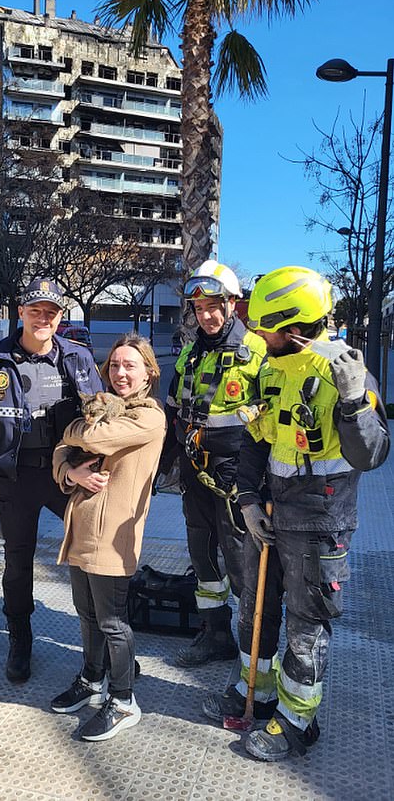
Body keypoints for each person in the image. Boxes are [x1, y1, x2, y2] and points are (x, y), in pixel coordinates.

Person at [203, 266, 390, 760]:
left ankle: (295, 720)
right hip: (270, 511)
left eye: (266, 327)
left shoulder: (346, 370)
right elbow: (255, 438)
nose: (258, 335)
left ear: (294, 323)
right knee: (255, 608)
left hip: (320, 520)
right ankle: (256, 695)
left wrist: (354, 402)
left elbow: (370, 455)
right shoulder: (272, 367)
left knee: (307, 625)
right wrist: (246, 499)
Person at [0, 278, 103, 683]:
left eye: (52, 312)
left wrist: (87, 467)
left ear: (61, 317)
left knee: (89, 557)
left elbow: (100, 422)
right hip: (15, 478)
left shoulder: (77, 358)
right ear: (20, 312)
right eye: (36, 310)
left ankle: (104, 646)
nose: (44, 318)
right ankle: (19, 641)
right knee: (17, 564)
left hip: (68, 477)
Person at [50, 333, 166, 741]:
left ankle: (123, 699)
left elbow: (89, 438)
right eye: (114, 365)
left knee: (113, 622)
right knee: (87, 615)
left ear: (149, 372)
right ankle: (92, 678)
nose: (120, 373)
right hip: (80, 529)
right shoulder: (104, 409)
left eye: (129, 365)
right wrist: (72, 472)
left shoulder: (149, 417)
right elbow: (61, 452)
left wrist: (72, 433)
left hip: (113, 538)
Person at [162, 260, 266, 666]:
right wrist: (160, 468)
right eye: (199, 308)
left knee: (241, 564)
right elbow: (174, 414)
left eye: (214, 306)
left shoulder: (256, 353)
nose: (206, 316)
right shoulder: (189, 354)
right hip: (194, 472)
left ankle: (252, 651)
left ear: (231, 305)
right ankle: (215, 634)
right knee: (202, 556)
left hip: (236, 475)